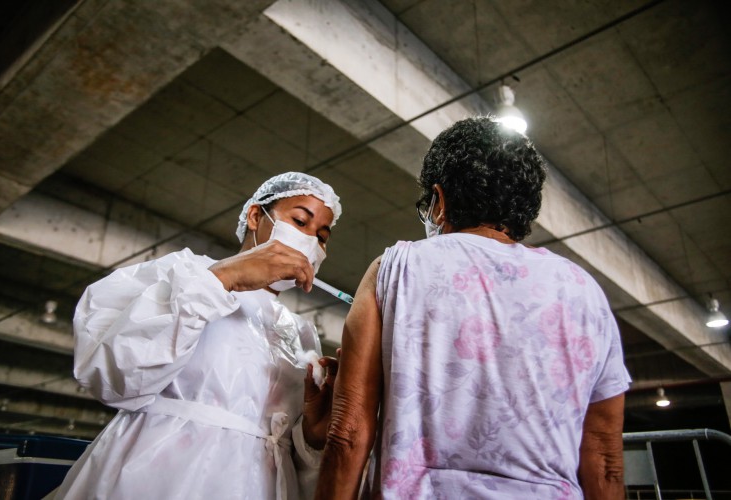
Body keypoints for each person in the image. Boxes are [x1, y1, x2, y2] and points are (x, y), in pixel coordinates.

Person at [316, 117, 632, 499]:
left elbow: (347, 432)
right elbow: (604, 458)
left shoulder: (394, 269)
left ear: (439, 201)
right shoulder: (585, 291)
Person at [54, 172, 342, 500]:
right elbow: (113, 376)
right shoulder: (184, 273)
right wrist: (222, 278)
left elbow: (284, 451)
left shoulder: (300, 333)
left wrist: (312, 439)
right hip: (155, 478)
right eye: (300, 221)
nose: (309, 241)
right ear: (254, 216)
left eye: (321, 236)